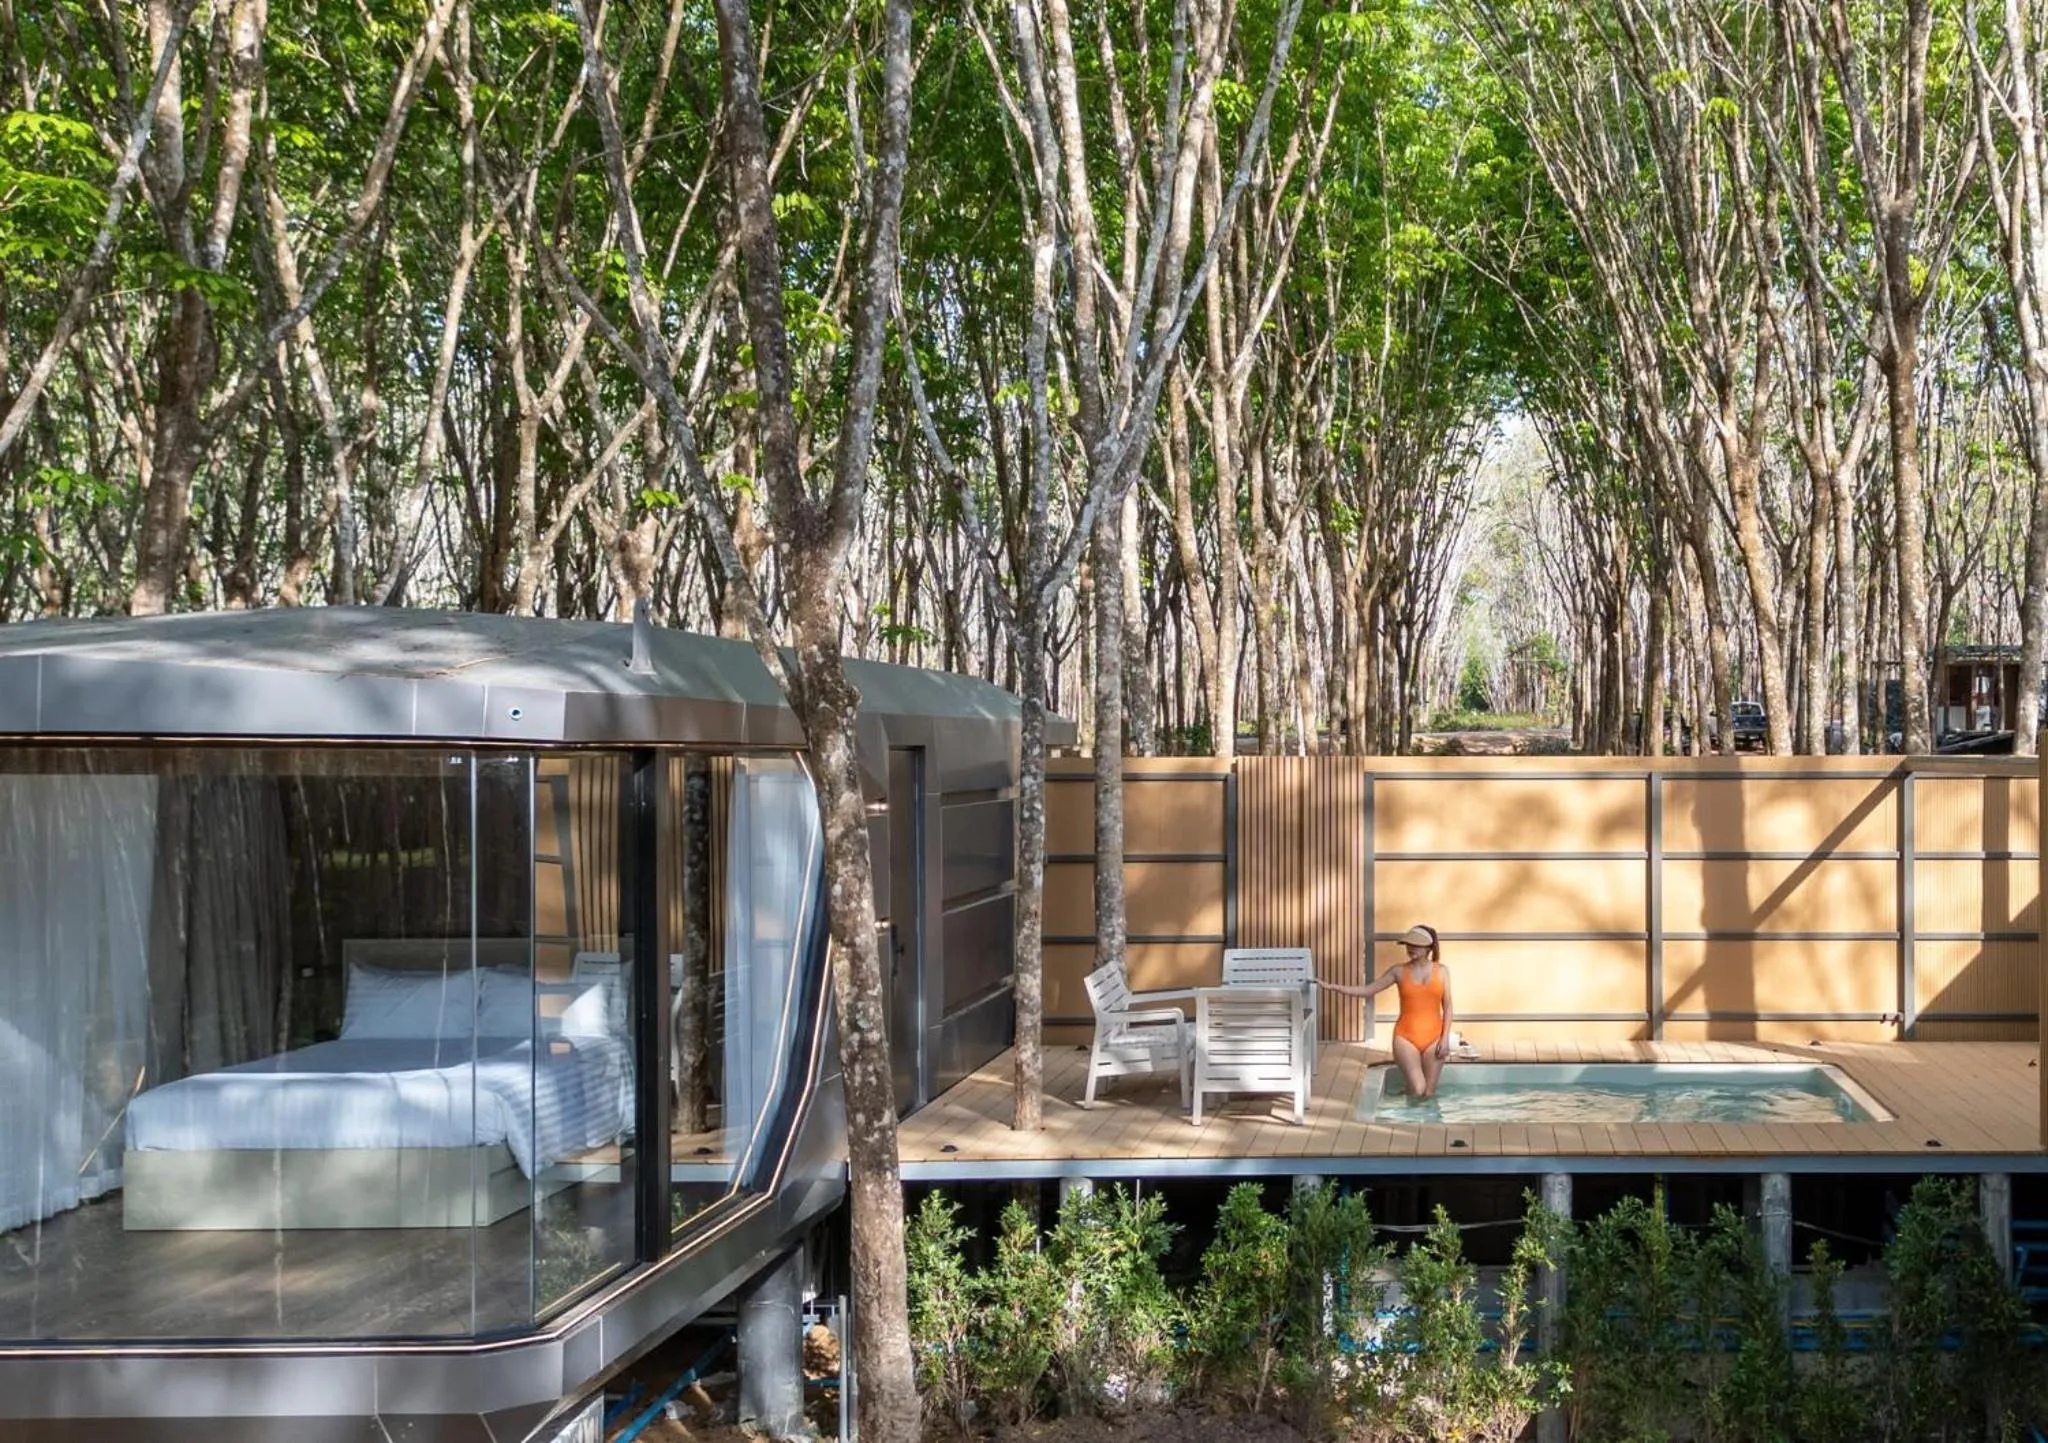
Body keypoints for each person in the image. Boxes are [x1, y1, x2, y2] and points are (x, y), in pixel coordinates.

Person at [1325, 924, 1453, 1101]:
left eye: (1415, 945)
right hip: (1406, 1038)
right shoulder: (1398, 971)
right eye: (1408, 944)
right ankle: (1410, 1114)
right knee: (1418, 1089)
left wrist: (1445, 1038)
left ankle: (1418, 1123)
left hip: (1435, 1038)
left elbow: (1447, 1007)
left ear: (1428, 948)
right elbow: (1368, 990)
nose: (1410, 948)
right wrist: (1335, 987)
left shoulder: (1442, 971)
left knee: (1428, 1094)